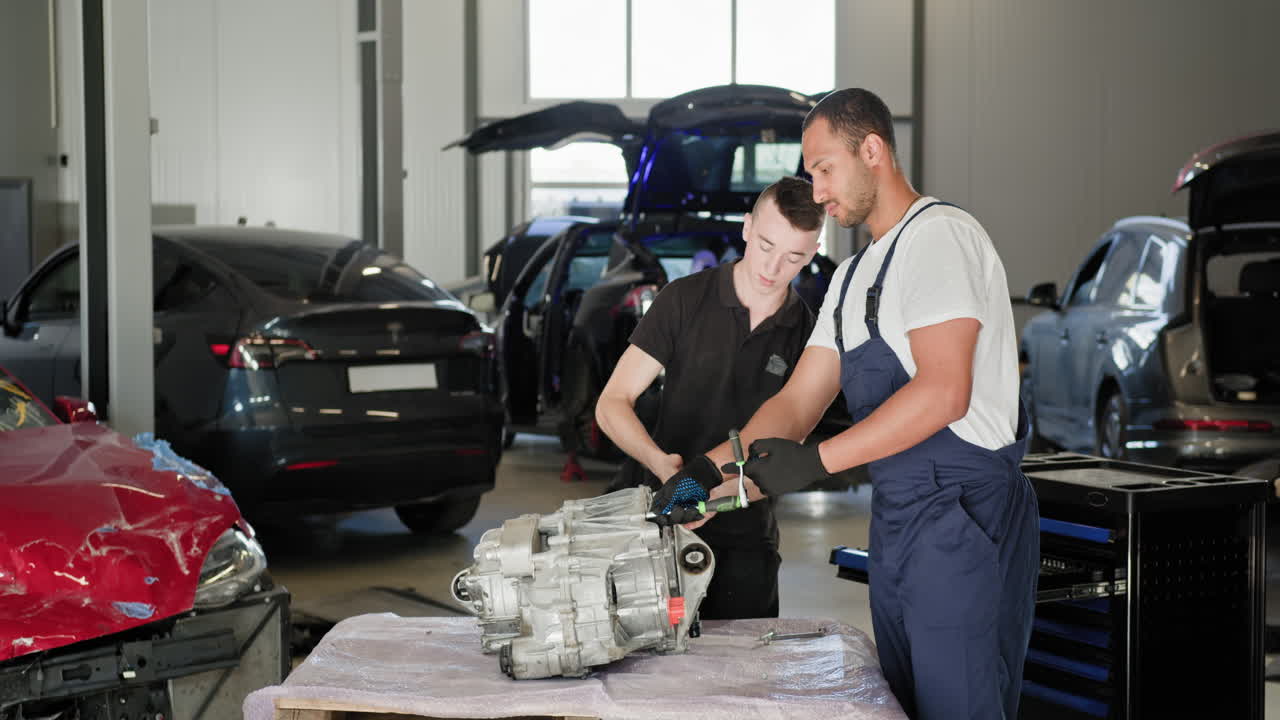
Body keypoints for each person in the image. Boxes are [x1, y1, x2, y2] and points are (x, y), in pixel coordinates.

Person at [680, 88, 1039, 719]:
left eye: (824, 169)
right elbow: (795, 403)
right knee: (904, 703)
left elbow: (943, 391)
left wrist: (816, 463)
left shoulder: (940, 238)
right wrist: (710, 478)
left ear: (872, 149)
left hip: (962, 514)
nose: (815, 191)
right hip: (899, 519)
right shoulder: (850, 278)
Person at [595, 176, 824, 620]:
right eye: (765, 245)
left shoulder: (807, 335)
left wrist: (714, 495)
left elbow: (784, 451)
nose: (773, 268)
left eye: (793, 257)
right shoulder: (683, 299)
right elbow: (612, 403)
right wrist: (662, 464)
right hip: (655, 516)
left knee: (742, 677)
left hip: (743, 532)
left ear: (812, 255)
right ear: (746, 228)